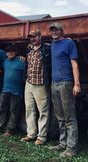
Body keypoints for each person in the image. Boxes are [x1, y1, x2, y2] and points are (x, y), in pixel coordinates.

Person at [48, 23, 81, 158]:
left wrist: (77, 84)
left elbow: (74, 64)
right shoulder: (52, 44)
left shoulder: (69, 43)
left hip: (65, 84)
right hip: (54, 84)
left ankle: (72, 148)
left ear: (62, 31)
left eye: (56, 30)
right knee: (60, 117)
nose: (54, 32)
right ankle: (63, 144)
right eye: (52, 30)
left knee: (69, 117)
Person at [20, 29, 51, 145]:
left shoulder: (47, 48)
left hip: (41, 84)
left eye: (34, 37)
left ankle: (41, 137)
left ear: (40, 36)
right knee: (29, 109)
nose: (32, 39)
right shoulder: (29, 49)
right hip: (29, 83)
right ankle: (31, 134)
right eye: (30, 37)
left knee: (43, 111)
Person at [0, 44, 25, 136]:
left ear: (16, 52)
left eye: (12, 51)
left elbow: (26, 75)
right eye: (8, 52)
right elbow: (0, 68)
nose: (10, 53)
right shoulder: (5, 62)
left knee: (14, 110)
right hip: (5, 90)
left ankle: (10, 129)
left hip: (17, 91)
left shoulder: (22, 61)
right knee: (2, 109)